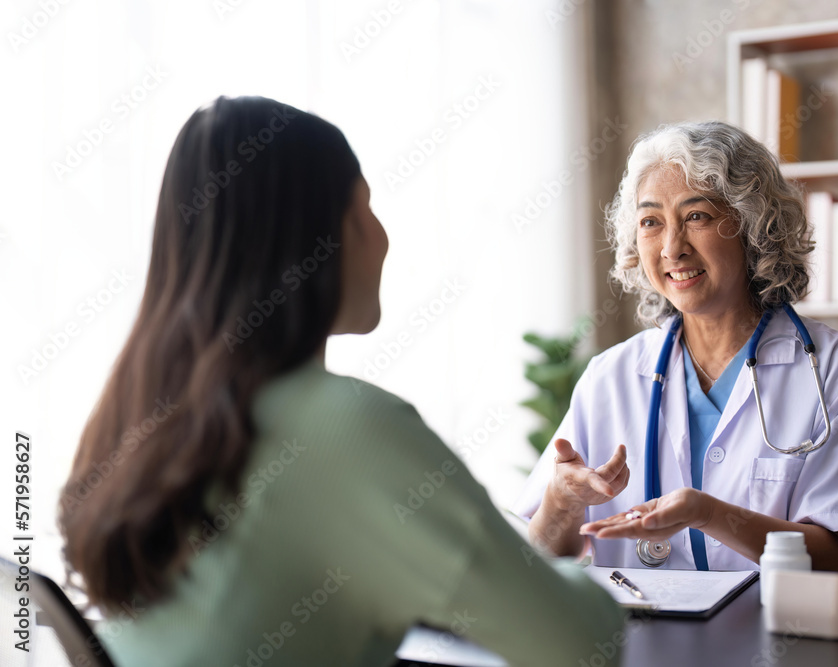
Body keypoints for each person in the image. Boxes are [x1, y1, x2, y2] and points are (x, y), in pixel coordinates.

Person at [59, 96, 623, 667]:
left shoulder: (137, 413)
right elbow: (580, 643)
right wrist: (572, 579)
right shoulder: (343, 427)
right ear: (328, 232)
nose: (383, 238)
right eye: (368, 207)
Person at [513, 121, 838, 575]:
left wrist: (709, 515)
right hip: (640, 642)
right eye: (650, 223)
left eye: (696, 216)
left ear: (752, 225)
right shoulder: (610, 377)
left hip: (780, 638)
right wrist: (562, 501)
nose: (672, 248)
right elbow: (535, 560)